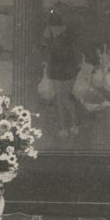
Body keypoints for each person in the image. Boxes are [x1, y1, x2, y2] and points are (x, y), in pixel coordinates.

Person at [42, 9, 80, 138]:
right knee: (62, 99)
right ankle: (68, 126)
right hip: (62, 69)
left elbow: (51, 51)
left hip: (65, 69)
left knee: (62, 98)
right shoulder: (60, 34)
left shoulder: (60, 36)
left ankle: (69, 126)